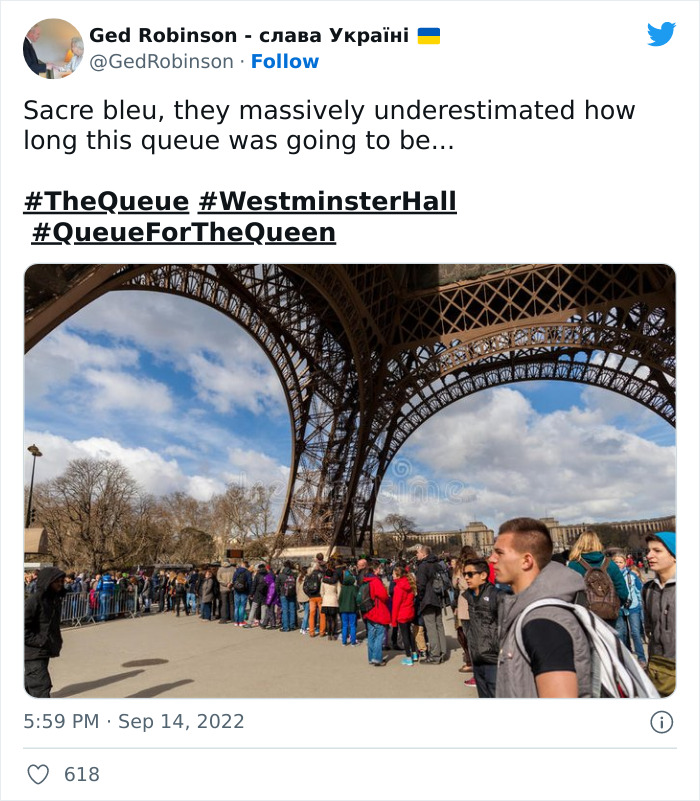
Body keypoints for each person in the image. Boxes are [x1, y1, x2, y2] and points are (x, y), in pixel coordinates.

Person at [490, 517, 592, 698]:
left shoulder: (544, 623)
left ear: (526, 560)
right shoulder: (531, 613)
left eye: (499, 552)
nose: (491, 559)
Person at [566, 531, 628, 623]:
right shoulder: (610, 564)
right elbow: (623, 593)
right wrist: (612, 605)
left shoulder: (573, 565)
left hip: (584, 617)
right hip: (608, 616)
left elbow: (569, 593)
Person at [643, 531, 676, 696]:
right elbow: (650, 628)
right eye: (649, 551)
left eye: (657, 551)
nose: (649, 555)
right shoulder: (648, 589)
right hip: (659, 672)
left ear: (674, 556)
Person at [25, 567, 66, 697]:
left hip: (44, 650)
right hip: (33, 652)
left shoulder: (54, 600)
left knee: (30, 684)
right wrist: (41, 641)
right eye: (56, 581)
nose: (60, 583)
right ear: (47, 581)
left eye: (61, 580)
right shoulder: (34, 601)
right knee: (41, 687)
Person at [462, 559, 500, 697]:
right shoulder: (470, 595)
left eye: (470, 574)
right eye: (464, 574)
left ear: (483, 575)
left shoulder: (497, 596)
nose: (466, 577)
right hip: (477, 658)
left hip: (493, 660)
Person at [610, 552, 646, 667]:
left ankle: (641, 657)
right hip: (620, 608)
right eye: (616, 562)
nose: (618, 564)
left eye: (621, 562)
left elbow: (639, 591)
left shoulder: (632, 575)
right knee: (623, 633)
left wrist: (641, 605)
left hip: (633, 607)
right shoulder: (611, 576)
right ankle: (627, 656)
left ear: (625, 563)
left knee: (635, 632)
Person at [415, 544, 448, 664]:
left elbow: (421, 585)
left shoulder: (423, 566)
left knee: (431, 627)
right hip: (438, 597)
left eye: (418, 553)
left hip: (428, 599)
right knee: (439, 625)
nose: (416, 555)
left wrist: (420, 597)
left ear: (424, 554)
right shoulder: (437, 564)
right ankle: (442, 652)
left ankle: (434, 655)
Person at [362, 563, 391, 666]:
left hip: (368, 610)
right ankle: (377, 658)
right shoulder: (375, 581)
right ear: (375, 570)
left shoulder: (365, 580)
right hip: (377, 610)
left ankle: (371, 657)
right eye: (379, 568)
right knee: (379, 634)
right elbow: (383, 596)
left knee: (371, 635)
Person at [391, 565, 417, 665]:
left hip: (402, 614)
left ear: (398, 575)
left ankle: (408, 657)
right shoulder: (409, 583)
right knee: (409, 634)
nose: (392, 576)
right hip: (409, 612)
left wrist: (393, 620)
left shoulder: (398, 587)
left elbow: (396, 605)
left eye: (393, 574)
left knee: (405, 635)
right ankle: (414, 653)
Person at [304, 561, 325, 637]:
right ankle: (322, 631)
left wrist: (309, 595)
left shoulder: (308, 575)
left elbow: (305, 587)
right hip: (320, 596)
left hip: (312, 597)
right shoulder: (321, 574)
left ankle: (311, 632)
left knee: (312, 614)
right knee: (322, 614)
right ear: (317, 566)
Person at [338, 569, 359, 645]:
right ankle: (353, 641)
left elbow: (340, 599)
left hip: (343, 609)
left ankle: (344, 641)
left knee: (344, 625)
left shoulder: (343, 588)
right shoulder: (354, 588)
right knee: (353, 625)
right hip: (352, 609)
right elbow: (357, 598)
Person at [320, 566, 341, 641]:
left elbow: (321, 592)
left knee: (328, 619)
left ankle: (329, 634)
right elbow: (339, 591)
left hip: (326, 601)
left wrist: (324, 597)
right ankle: (333, 633)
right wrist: (337, 598)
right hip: (334, 600)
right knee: (334, 619)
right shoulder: (336, 581)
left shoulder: (323, 581)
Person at [277, 561, 297, 632]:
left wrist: (279, 593)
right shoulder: (294, 574)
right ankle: (292, 625)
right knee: (292, 610)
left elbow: (277, 585)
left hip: (283, 594)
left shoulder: (281, 575)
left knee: (285, 610)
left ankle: (286, 627)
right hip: (292, 594)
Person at [296, 567, 310, 635]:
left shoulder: (299, 578)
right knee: (306, 613)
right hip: (307, 597)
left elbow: (297, 588)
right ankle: (303, 627)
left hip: (300, 597)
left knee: (305, 612)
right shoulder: (307, 578)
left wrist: (297, 596)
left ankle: (306, 626)